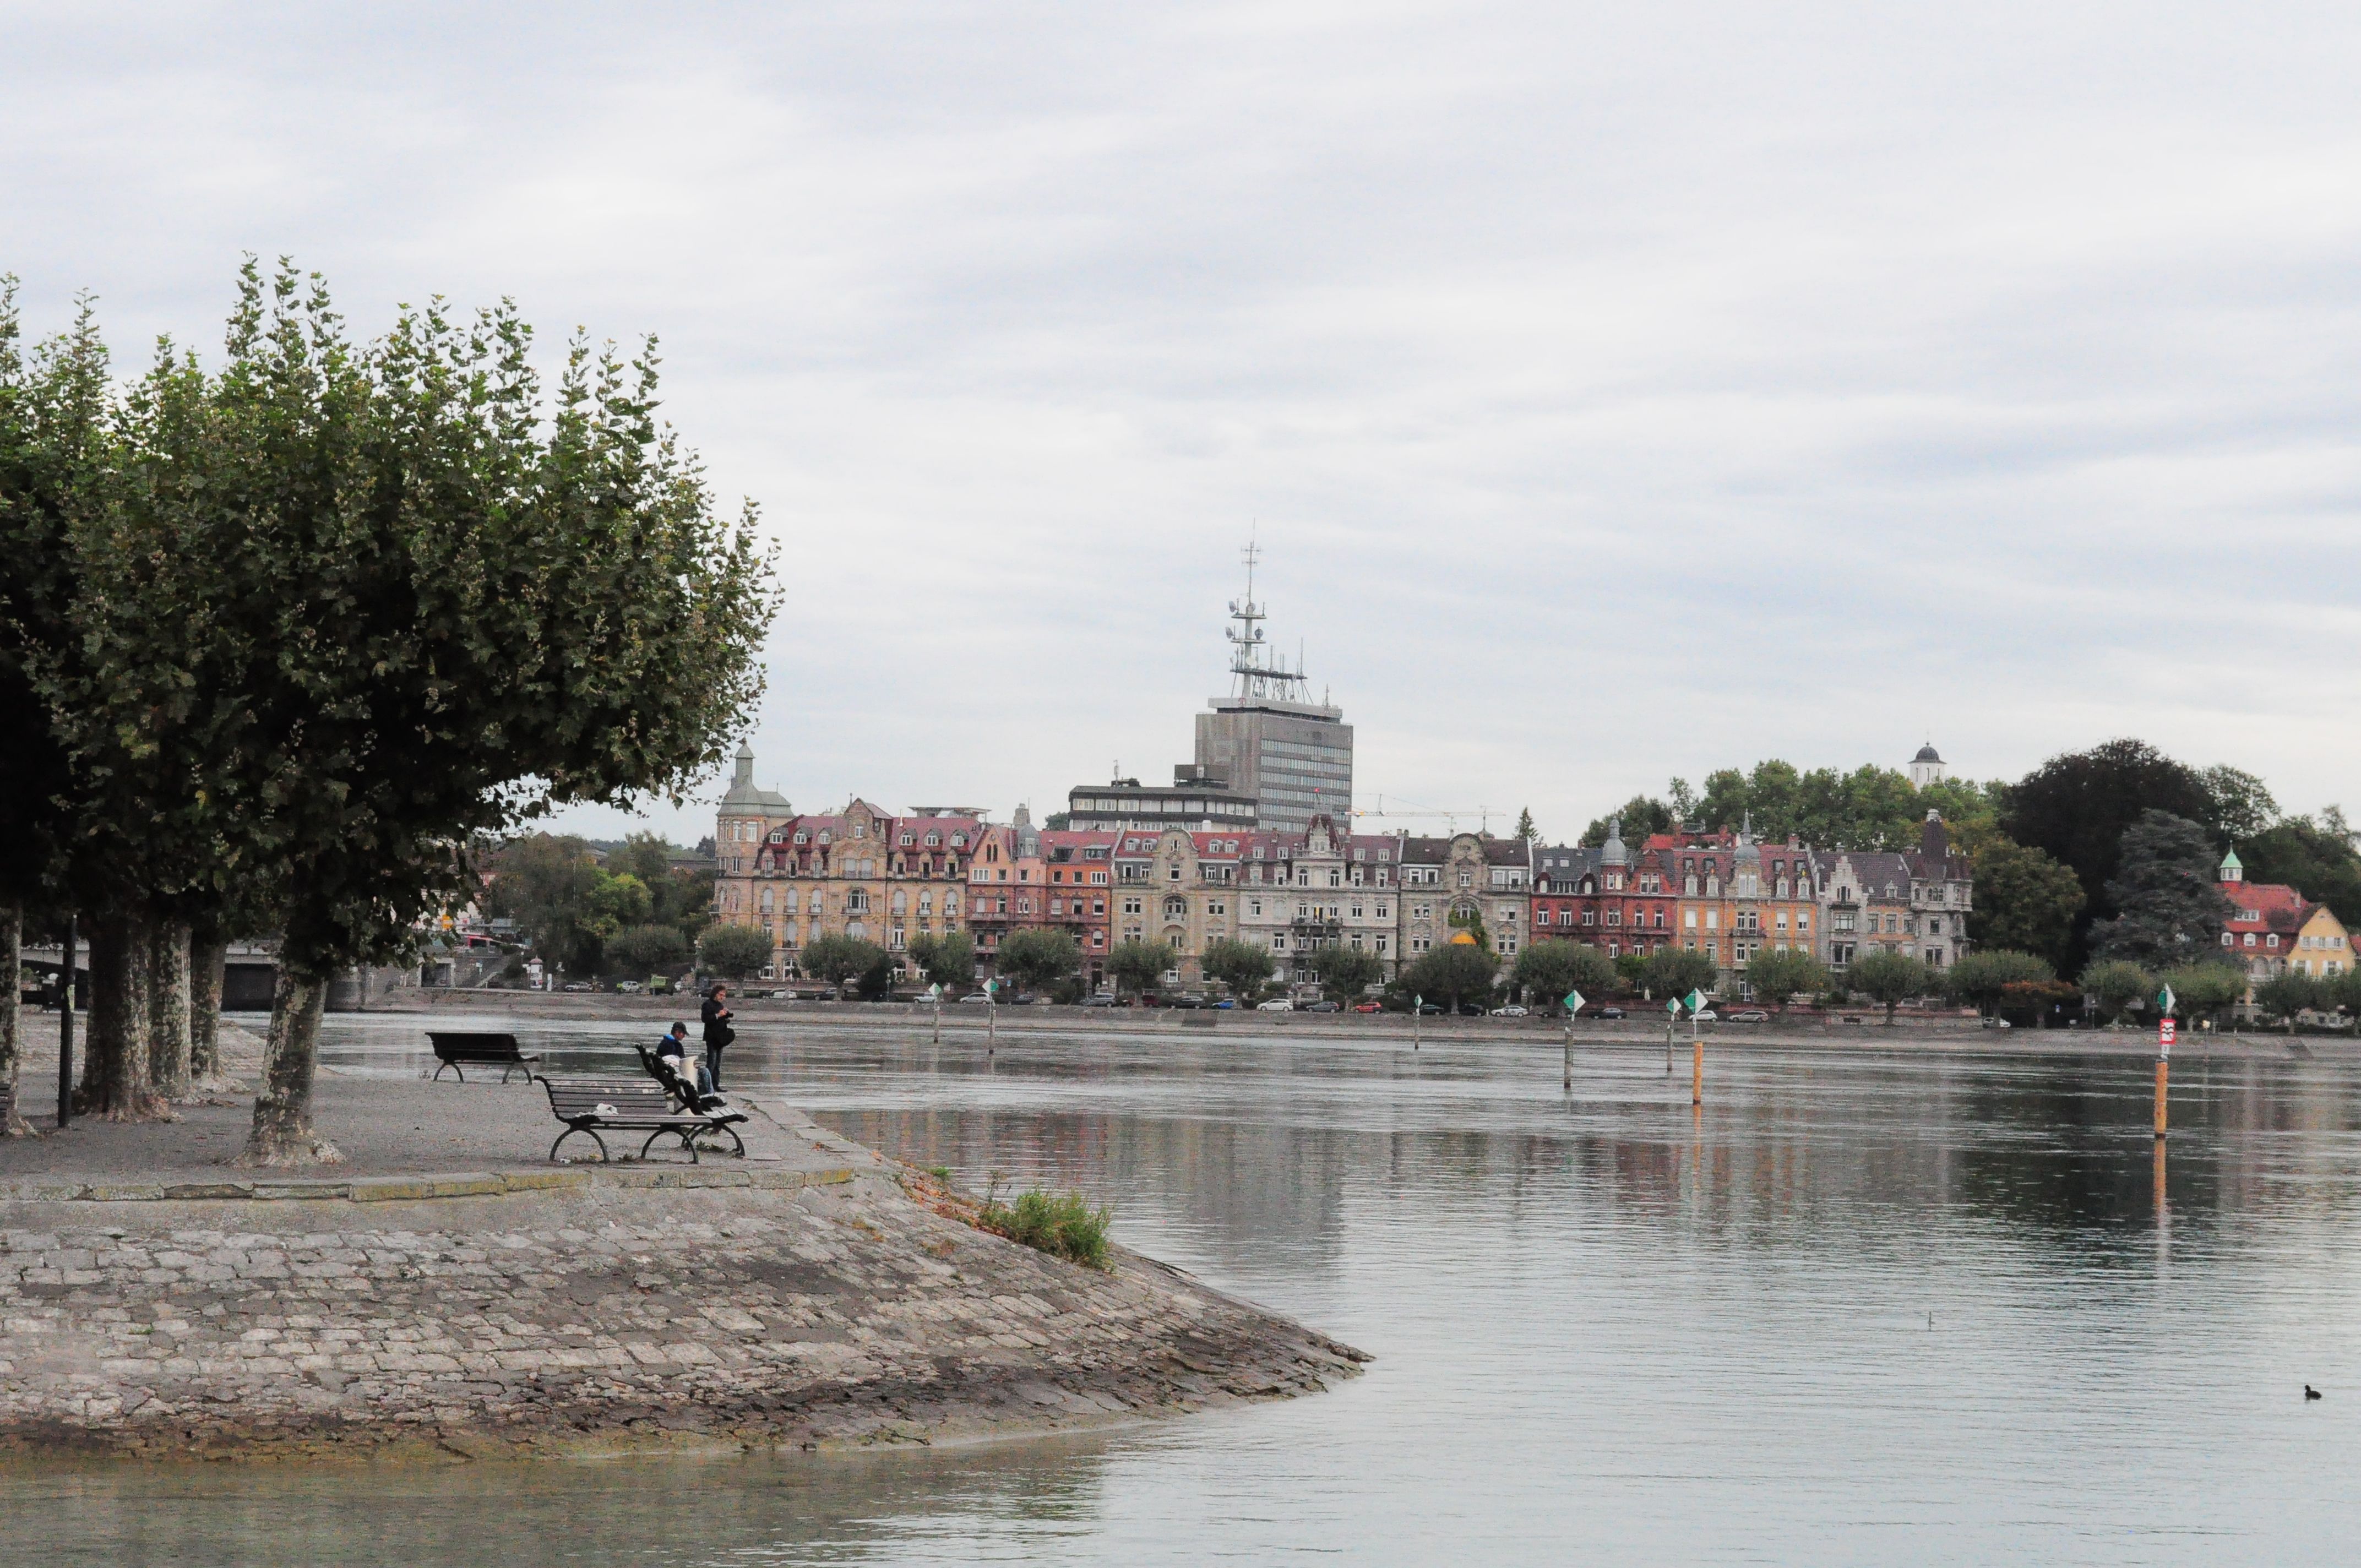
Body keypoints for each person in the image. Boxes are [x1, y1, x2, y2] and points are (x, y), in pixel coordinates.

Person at [655, 1020, 712, 1097]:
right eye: (683, 1034)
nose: (684, 1036)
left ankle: (707, 1095)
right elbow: (679, 1062)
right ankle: (710, 1095)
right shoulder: (674, 1046)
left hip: (668, 1074)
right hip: (675, 1075)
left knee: (703, 1072)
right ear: (677, 1032)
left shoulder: (665, 1043)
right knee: (705, 1071)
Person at [700, 984, 735, 1091]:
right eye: (721, 995)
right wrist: (718, 1015)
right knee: (711, 1063)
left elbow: (721, 1020)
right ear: (716, 994)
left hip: (721, 1038)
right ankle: (707, 1086)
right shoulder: (707, 1004)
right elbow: (705, 1019)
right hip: (711, 1038)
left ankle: (715, 1085)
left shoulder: (720, 1006)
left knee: (718, 1064)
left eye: (724, 996)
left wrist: (726, 1017)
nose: (722, 998)